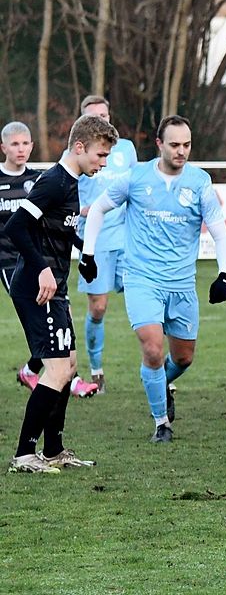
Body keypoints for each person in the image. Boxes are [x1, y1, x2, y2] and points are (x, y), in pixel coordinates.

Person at [81, 115, 226, 444]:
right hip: (141, 280)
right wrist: (88, 254)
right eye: (175, 145)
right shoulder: (135, 177)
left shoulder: (199, 182)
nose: (182, 151)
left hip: (181, 285)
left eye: (187, 145)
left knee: (183, 358)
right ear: (159, 144)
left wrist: (225, 275)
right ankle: (161, 422)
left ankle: (162, 380)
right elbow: (97, 210)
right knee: (152, 349)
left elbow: (221, 234)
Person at [4, 114, 117, 472]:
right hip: (36, 288)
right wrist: (42, 269)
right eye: (100, 155)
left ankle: (53, 450)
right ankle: (24, 454)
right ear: (80, 147)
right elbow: (16, 227)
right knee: (54, 370)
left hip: (57, 286)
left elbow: (60, 230)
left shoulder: (72, 182)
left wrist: (85, 254)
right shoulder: (52, 182)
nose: (103, 163)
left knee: (68, 366)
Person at [75, 95, 139, 392]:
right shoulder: (78, 153)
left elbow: (137, 187)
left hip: (128, 238)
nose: (102, 120)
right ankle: (96, 369)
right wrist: (82, 209)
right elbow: (67, 191)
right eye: (94, 117)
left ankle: (156, 366)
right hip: (96, 239)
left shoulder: (125, 149)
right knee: (98, 309)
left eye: (105, 115)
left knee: (144, 300)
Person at [0, 122, 45, 392]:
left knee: (53, 318)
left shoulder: (39, 180)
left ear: (32, 146)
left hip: (36, 259)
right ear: (3, 147)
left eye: (25, 143)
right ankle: (63, 377)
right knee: (38, 320)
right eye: (14, 144)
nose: (21, 149)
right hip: (8, 262)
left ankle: (32, 371)